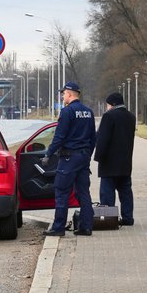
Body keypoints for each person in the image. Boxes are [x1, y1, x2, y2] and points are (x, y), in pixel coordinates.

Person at [41, 81, 96, 237]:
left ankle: (58, 228)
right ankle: (86, 227)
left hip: (69, 158)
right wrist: (87, 155)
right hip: (83, 157)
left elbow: (59, 136)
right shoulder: (88, 112)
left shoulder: (67, 112)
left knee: (61, 192)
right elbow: (93, 138)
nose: (62, 96)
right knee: (83, 193)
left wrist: (48, 154)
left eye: (63, 93)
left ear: (70, 94)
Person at [94, 92, 136, 226]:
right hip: (125, 162)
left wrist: (98, 157)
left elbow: (102, 138)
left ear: (112, 104)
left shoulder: (109, 116)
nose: (106, 107)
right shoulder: (131, 117)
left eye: (107, 104)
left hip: (109, 163)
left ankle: (108, 219)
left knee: (107, 193)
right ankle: (128, 218)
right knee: (126, 192)